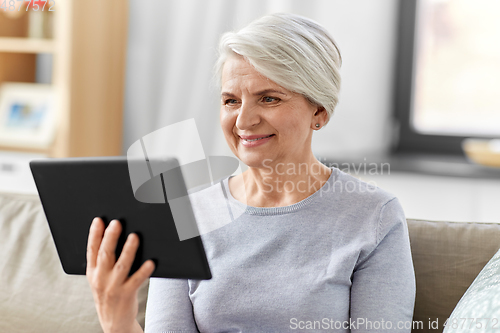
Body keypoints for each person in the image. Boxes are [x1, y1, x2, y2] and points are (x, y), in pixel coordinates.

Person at [86, 13, 416, 333]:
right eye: (231, 101)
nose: (244, 121)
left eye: (269, 98)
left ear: (319, 110)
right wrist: (119, 324)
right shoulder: (185, 216)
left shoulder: (374, 217)